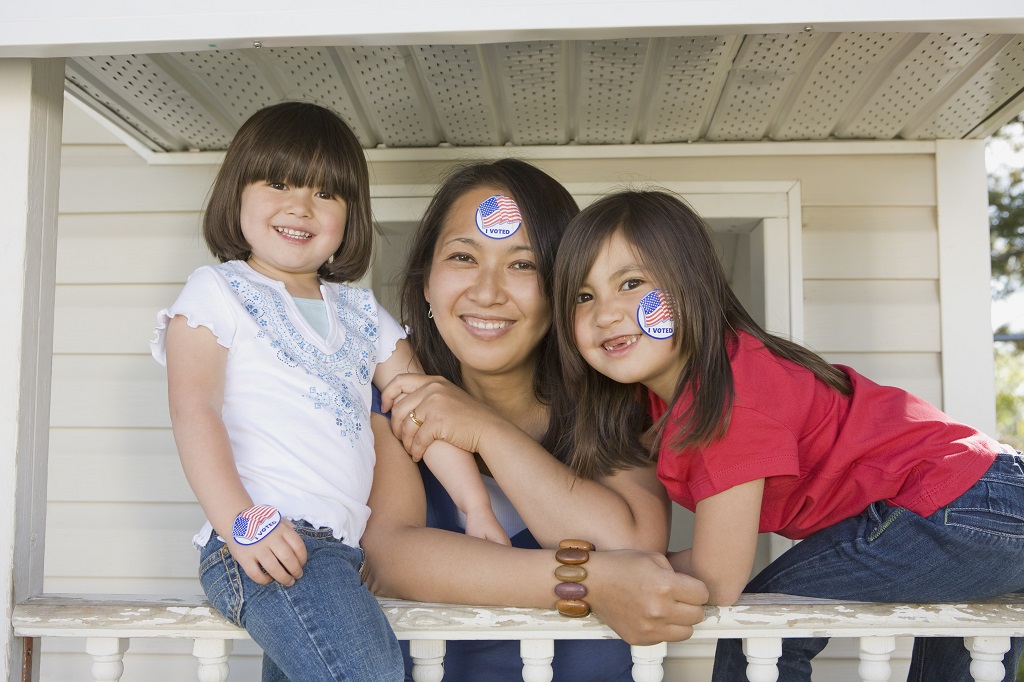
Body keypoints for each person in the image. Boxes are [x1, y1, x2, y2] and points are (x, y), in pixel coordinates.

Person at [550, 188, 1024, 682]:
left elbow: (718, 577)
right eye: (583, 296)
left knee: (762, 634)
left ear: (692, 285)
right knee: (960, 654)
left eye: (630, 282)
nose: (605, 313)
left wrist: (625, 573)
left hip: (959, 505)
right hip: (985, 504)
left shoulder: (730, 394)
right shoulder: (667, 400)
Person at [149, 101, 502, 682]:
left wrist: (475, 505)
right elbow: (195, 411)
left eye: (325, 193)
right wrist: (241, 520)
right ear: (236, 192)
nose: (300, 207)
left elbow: (424, 413)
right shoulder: (217, 291)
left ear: (350, 215)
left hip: (341, 554)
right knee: (370, 671)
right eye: (279, 182)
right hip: (265, 535)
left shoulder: (362, 314)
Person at [362, 159, 709, 681]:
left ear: (563, 289)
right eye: (462, 256)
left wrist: (482, 428)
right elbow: (391, 558)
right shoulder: (391, 394)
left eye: (522, 265)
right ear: (426, 283)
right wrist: (588, 580)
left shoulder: (614, 391)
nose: (487, 291)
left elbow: (634, 544)